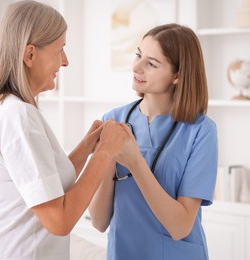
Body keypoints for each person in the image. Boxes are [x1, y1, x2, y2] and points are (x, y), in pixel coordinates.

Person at [0, 1, 130, 259]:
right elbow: (60, 221)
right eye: (60, 49)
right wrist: (106, 153)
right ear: (30, 54)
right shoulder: (17, 117)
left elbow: (42, 183)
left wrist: (87, 148)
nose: (65, 62)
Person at [89, 23, 218, 260]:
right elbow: (98, 221)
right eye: (139, 55)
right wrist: (107, 159)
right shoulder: (112, 120)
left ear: (177, 75)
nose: (136, 67)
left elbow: (180, 227)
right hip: (123, 253)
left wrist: (135, 162)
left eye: (151, 63)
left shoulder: (201, 131)